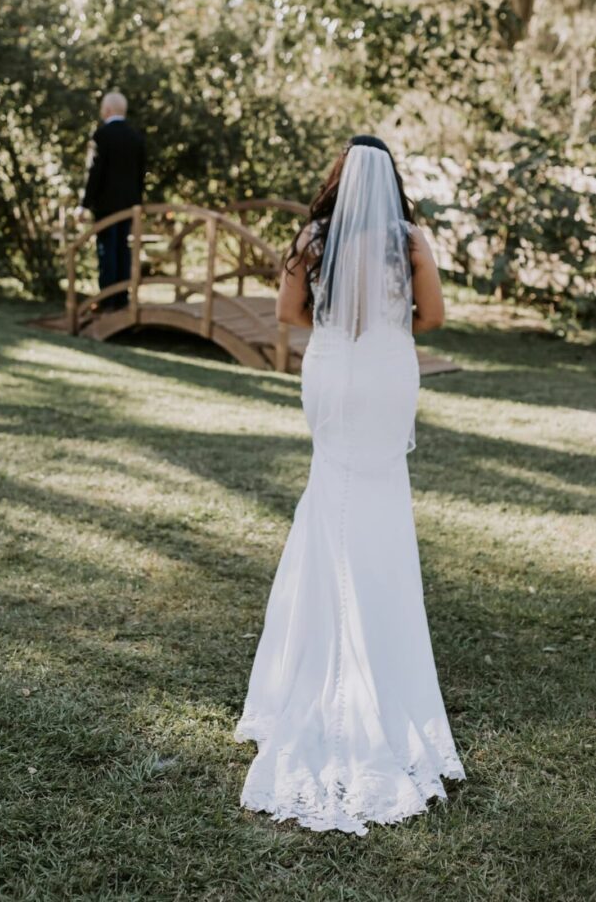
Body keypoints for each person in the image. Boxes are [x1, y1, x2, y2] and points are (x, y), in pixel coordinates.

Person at [233, 134, 466, 836]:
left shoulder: (313, 235)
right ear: (389, 180)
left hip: (332, 369)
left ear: (338, 177)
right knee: (379, 500)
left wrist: (337, 322)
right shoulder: (411, 240)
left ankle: (301, 667)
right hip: (389, 371)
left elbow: (287, 314)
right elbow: (432, 319)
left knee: (325, 497)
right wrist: (386, 318)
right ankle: (378, 648)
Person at [79, 90, 146, 310]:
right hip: (128, 205)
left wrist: (84, 205)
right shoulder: (136, 137)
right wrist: (137, 204)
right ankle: (122, 298)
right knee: (122, 250)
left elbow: (94, 174)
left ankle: (108, 298)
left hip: (106, 206)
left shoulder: (102, 136)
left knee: (107, 250)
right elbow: (140, 175)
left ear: (107, 110)